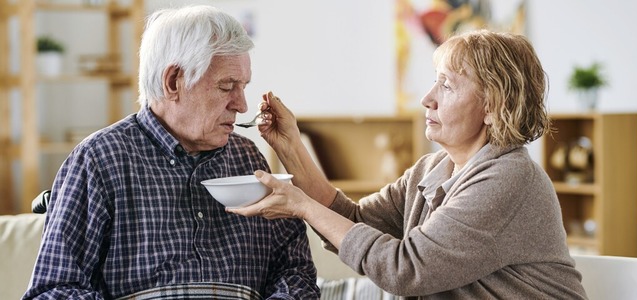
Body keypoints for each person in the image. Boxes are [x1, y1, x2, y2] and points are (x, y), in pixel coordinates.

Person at [229, 29, 588, 299]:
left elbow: (406, 268)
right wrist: (292, 147)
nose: (426, 98)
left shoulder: (509, 178)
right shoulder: (432, 168)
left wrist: (301, 205)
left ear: (493, 107)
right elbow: (352, 222)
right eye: (435, 82)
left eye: (446, 86)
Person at [23, 5, 320, 300]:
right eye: (227, 86)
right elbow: (53, 291)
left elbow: (295, 272)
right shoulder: (98, 161)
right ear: (173, 81)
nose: (242, 105)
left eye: (243, 86)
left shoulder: (248, 159)